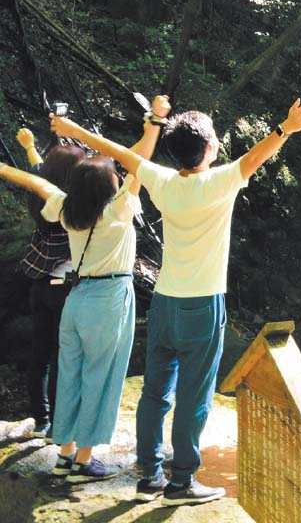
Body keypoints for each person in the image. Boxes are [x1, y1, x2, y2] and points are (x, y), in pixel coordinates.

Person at [49, 98, 301, 506]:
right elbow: (255, 156)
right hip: (203, 306)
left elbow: (115, 150)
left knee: (156, 392)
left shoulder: (161, 181)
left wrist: (71, 127)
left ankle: (150, 476)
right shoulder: (221, 181)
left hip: (164, 302)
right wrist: (285, 128)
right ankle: (181, 483)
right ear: (210, 148)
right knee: (194, 397)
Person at [0, 94, 170, 483]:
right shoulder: (118, 211)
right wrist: (153, 125)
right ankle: (84, 462)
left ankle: (64, 453)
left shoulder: (66, 207)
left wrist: (7, 167)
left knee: (72, 373)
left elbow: (35, 180)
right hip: (108, 302)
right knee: (100, 377)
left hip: (75, 300)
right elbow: (138, 163)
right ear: (109, 187)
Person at [15, 129, 85, 440]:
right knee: (62, 358)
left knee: (39, 355)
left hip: (39, 284)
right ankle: (59, 426)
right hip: (65, 287)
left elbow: (37, 174)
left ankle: (42, 420)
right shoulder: (75, 206)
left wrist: (30, 147)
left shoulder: (37, 196)